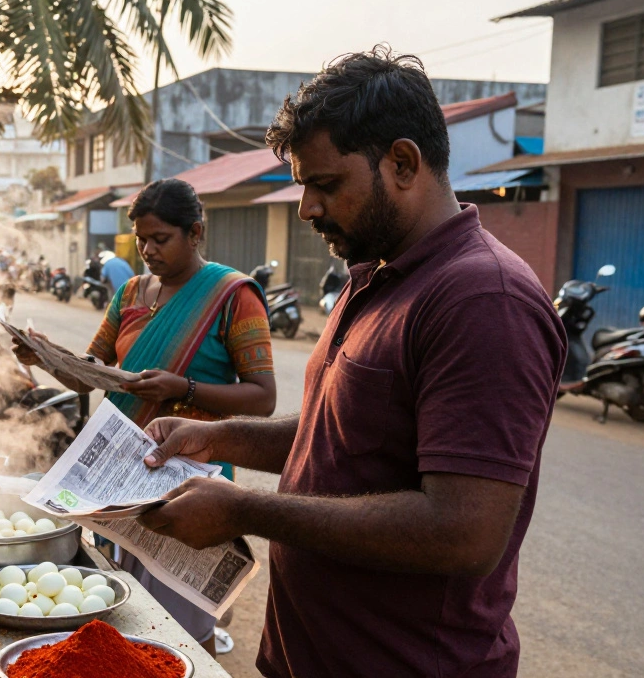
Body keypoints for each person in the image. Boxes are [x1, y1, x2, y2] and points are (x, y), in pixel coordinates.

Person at [136, 48, 566, 677]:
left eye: (326, 184)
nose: (306, 207)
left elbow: (464, 531)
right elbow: (336, 437)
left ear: (402, 162)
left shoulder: (481, 298)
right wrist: (215, 436)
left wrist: (243, 509)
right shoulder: (375, 275)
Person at [12, 178, 277, 652]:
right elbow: (91, 372)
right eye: (140, 239)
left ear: (195, 232)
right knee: (127, 613)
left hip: (189, 472)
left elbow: (263, 397)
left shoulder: (232, 295)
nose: (147, 250)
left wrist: (185, 388)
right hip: (122, 474)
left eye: (161, 239)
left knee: (179, 624)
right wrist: (47, 358)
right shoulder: (131, 291)